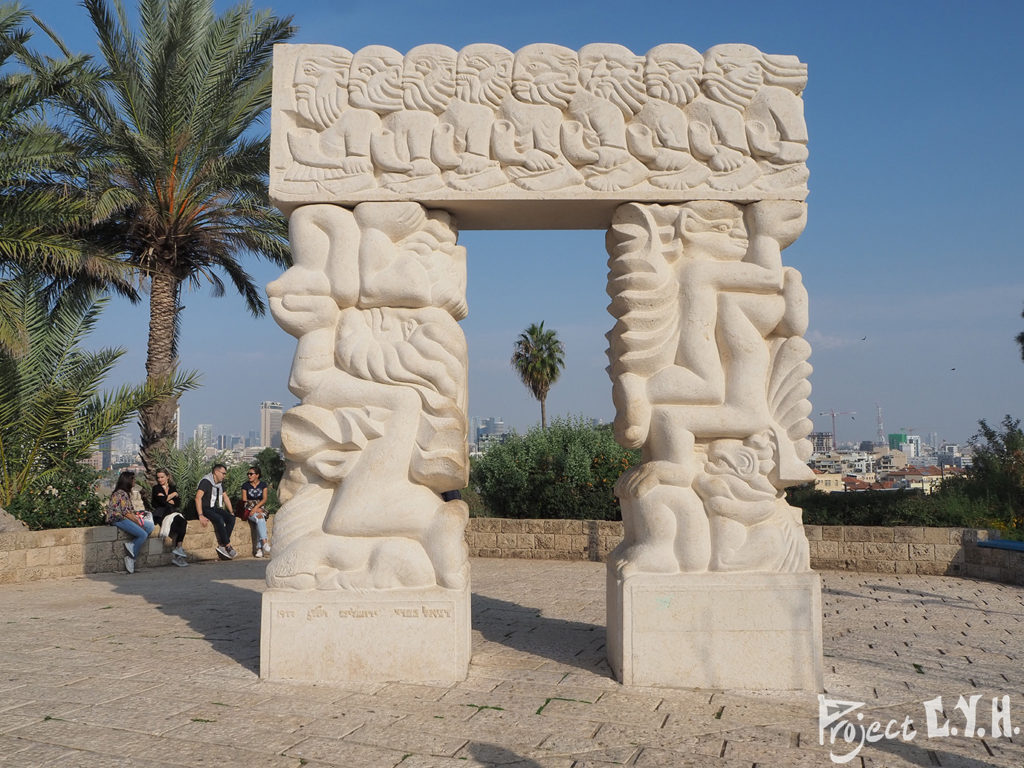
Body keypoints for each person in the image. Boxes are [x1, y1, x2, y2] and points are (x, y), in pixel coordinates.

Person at [106, 470, 154, 574]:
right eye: (133, 479)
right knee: (142, 534)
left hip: (125, 518)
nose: (135, 481)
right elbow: (125, 513)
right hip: (118, 519)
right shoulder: (121, 494)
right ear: (128, 480)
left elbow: (129, 511)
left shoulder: (125, 494)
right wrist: (138, 522)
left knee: (149, 526)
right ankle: (131, 557)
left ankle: (133, 545)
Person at [196, 463, 236, 559]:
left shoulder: (219, 484)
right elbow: (198, 498)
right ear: (216, 472)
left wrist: (231, 512)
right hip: (205, 508)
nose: (224, 476)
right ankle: (228, 546)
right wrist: (200, 515)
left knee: (231, 519)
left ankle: (222, 545)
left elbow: (225, 497)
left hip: (214, 507)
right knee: (219, 519)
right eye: (223, 473)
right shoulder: (206, 482)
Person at [152, 468, 188, 567]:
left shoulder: (172, 487)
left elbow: (177, 503)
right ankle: (178, 554)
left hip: (173, 512)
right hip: (162, 514)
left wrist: (167, 498)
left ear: (167, 477)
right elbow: (162, 502)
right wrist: (173, 495)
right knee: (177, 528)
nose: (160, 479)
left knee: (183, 523)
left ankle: (179, 548)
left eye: (162, 477)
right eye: (158, 477)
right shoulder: (156, 488)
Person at [240, 466, 271, 557]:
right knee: (259, 519)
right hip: (249, 509)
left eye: (251, 474)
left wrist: (256, 508)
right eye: (248, 474)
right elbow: (245, 501)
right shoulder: (245, 486)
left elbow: (264, 499)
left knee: (260, 520)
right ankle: (264, 544)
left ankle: (259, 549)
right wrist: (254, 509)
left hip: (260, 508)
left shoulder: (263, 485)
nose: (249, 476)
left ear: (257, 475)